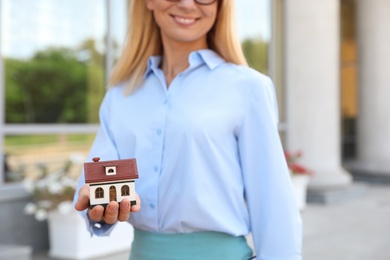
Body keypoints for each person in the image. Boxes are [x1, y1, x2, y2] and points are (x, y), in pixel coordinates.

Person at [74, 0, 302, 259]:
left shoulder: (248, 88)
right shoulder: (120, 95)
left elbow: (274, 205)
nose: (186, 3)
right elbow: (100, 176)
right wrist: (96, 201)